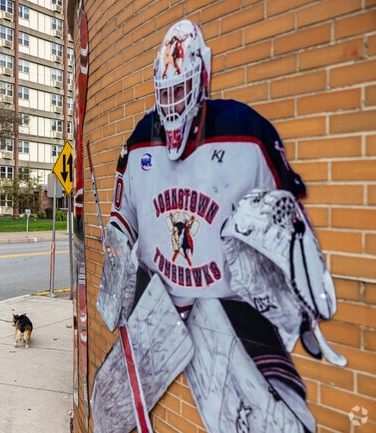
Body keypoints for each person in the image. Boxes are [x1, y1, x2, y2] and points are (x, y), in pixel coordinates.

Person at [91, 19, 342, 433]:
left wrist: (301, 306)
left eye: (179, 90)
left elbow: (286, 218)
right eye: (165, 92)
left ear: (201, 76)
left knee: (278, 421)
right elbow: (121, 229)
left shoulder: (247, 131)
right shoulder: (139, 142)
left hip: (232, 306)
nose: (171, 104)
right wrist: (117, 295)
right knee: (107, 408)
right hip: (162, 305)